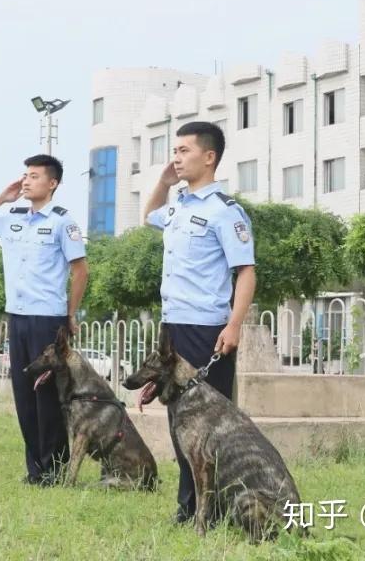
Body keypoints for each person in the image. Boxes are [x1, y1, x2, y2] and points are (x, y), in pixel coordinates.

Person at [142, 120, 256, 523]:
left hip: (207, 329)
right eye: (175, 150)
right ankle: (189, 505)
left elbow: (246, 271)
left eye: (184, 150)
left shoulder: (225, 212)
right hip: (174, 324)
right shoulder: (178, 206)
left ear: (209, 157)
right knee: (179, 419)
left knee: (208, 422)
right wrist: (162, 179)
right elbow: (149, 214)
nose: (177, 156)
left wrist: (234, 325)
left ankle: (215, 507)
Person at [0, 154, 88, 486]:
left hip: (47, 318)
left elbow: (80, 271)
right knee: (23, 394)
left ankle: (54, 468)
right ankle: (35, 468)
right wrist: (2, 198)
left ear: (52, 183)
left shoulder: (64, 222)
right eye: (25, 175)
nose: (27, 180)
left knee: (47, 395)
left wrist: (70, 312)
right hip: (17, 316)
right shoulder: (11, 216)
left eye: (34, 176)